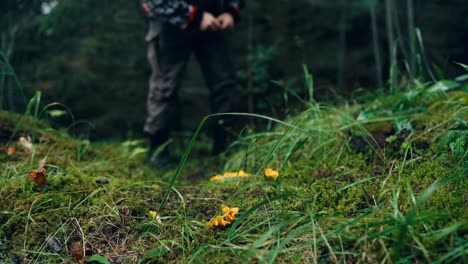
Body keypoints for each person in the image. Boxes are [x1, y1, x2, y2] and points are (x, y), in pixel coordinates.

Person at [140, 0, 246, 168]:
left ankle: (225, 148)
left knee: (224, 82)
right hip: (170, 23)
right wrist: (193, 16)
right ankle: (158, 149)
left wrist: (231, 11)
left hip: (215, 17)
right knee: (164, 87)